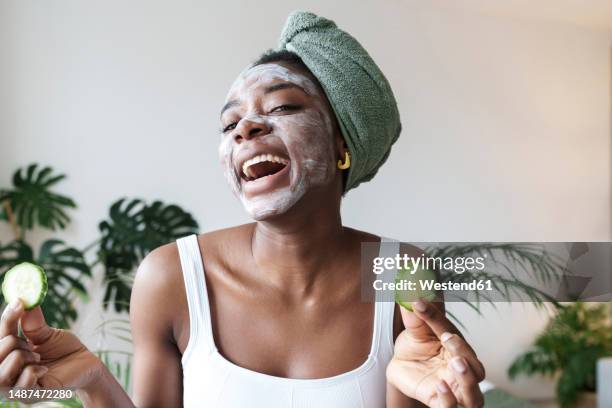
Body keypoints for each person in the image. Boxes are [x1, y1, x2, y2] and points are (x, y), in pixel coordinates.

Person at [0, 11, 484, 408]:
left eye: (280, 109)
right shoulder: (170, 278)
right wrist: (89, 382)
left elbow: (427, 380)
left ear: (342, 142)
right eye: (230, 122)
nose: (244, 130)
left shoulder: (399, 272)